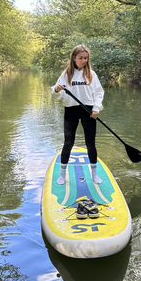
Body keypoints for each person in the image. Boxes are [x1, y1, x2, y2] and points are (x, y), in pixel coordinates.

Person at [52, 44, 104, 185]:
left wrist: (96, 108)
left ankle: (94, 175)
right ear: (74, 58)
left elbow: (99, 93)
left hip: (88, 111)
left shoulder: (91, 75)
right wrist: (56, 89)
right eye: (81, 58)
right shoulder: (66, 74)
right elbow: (55, 91)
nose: (84, 60)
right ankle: (62, 175)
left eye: (86, 58)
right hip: (71, 110)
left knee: (91, 144)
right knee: (68, 143)